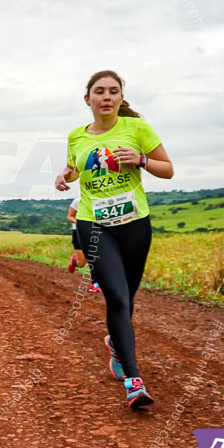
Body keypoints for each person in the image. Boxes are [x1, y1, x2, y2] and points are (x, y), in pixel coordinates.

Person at [55, 70, 173, 410]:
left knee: (128, 298)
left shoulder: (138, 129)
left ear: (121, 98)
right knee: (118, 300)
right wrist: (65, 176)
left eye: (113, 91)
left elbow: (168, 169)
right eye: (100, 91)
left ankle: (117, 347)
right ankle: (134, 383)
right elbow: (75, 168)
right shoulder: (76, 136)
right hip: (94, 225)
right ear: (87, 99)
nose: (106, 97)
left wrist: (142, 160)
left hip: (135, 224)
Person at [68, 197, 100, 292]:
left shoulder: (101, 200)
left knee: (94, 258)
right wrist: (81, 223)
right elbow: (70, 216)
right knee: (81, 263)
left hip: (95, 232)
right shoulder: (78, 201)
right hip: (78, 232)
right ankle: (74, 261)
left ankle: (95, 284)